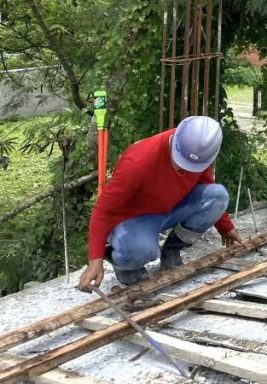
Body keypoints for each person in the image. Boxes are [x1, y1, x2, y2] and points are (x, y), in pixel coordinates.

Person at [77, 116, 241, 291]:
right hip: (134, 219)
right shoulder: (138, 161)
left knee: (218, 196)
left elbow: (206, 186)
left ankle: (171, 251)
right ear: (176, 141)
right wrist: (95, 260)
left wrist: (225, 226)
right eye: (180, 161)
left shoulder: (198, 153)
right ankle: (124, 263)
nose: (183, 168)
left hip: (170, 208)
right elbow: (103, 210)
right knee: (144, 250)